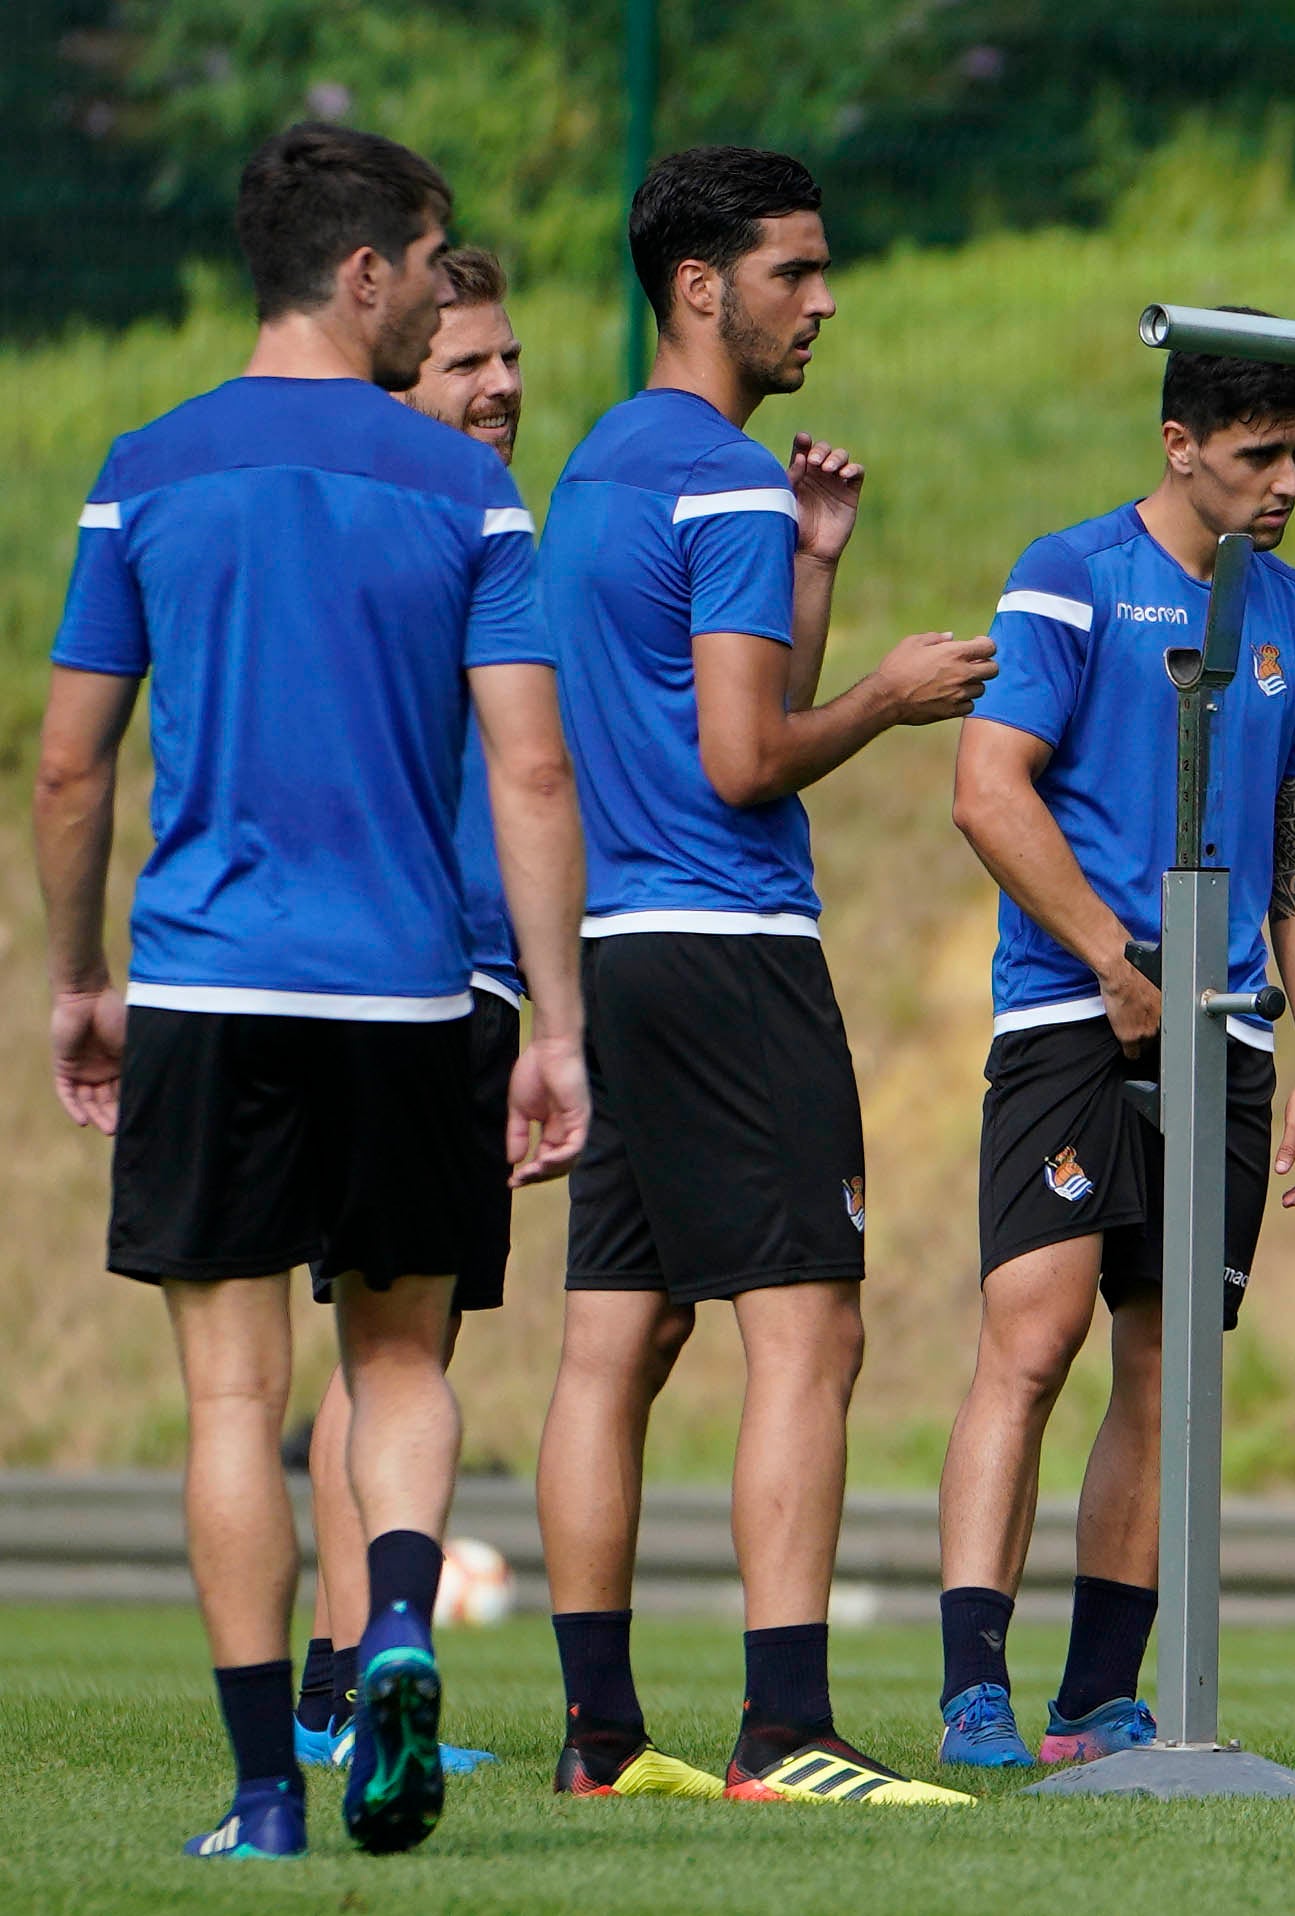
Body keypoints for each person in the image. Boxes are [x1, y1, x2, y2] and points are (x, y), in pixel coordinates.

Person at [34, 124, 589, 1860]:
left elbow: (67, 769)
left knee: (227, 1398)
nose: (446, 301)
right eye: (435, 269)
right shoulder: (467, 492)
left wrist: (76, 980)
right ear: (365, 275)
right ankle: (406, 1623)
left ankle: (268, 1793)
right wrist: (558, 1025)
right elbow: (531, 773)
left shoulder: (145, 469)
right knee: (402, 1353)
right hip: (411, 998)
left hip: (205, 982)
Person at [534, 145, 988, 1808]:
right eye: (794, 270)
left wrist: (810, 567)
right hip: (731, 952)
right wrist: (884, 691)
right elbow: (741, 759)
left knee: (615, 1342)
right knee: (809, 1335)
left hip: (617, 950)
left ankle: (596, 1739)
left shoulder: (598, 470)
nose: (825, 297)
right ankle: (784, 1731)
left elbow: (679, 707)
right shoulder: (715, 473)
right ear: (700, 289)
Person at [931, 331, 1295, 1769]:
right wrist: (1114, 963)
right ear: (1179, 449)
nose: (1289, 481)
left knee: (1169, 1365)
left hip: (1224, 1037)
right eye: (1257, 458)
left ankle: (1096, 1698)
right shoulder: (1071, 576)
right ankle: (973, 1687)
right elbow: (989, 790)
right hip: (1070, 1018)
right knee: (1032, 1340)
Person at [291, 243, 531, 1781]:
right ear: (399, 374)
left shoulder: (483, 526)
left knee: (392, 1340)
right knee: (393, 1346)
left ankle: (333, 1687)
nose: (502, 386)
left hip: (469, 979)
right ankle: (343, 1679)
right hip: (410, 982)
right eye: (467, 365)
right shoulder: (405, 532)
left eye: (512, 362)